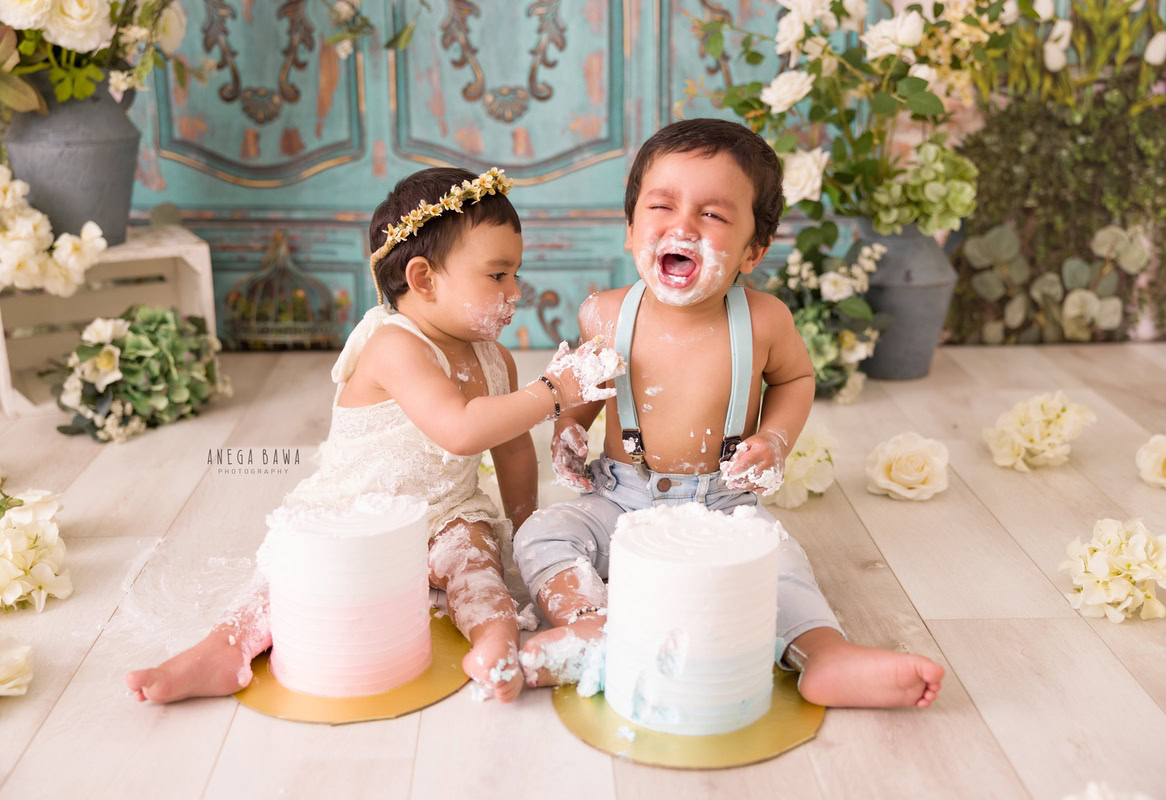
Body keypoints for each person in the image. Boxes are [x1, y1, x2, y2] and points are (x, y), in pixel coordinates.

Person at [126, 167, 622, 705]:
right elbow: (459, 431)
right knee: (295, 586)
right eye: (497, 276)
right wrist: (552, 390)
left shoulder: (493, 356)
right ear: (424, 278)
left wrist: (521, 528)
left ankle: (495, 641)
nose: (515, 293)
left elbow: (510, 445)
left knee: (479, 571)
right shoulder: (394, 346)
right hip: (356, 510)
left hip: (448, 510)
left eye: (515, 275)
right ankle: (221, 651)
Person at [514, 120, 945, 708]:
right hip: (618, 500)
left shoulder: (765, 320)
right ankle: (595, 623)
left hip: (722, 503)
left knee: (779, 564)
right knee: (543, 533)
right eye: (661, 205)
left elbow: (795, 379)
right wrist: (571, 425)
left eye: (713, 215)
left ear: (753, 250)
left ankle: (824, 653)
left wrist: (774, 439)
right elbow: (592, 383)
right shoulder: (605, 314)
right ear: (631, 229)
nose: (683, 225)